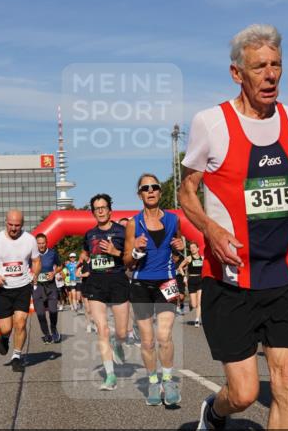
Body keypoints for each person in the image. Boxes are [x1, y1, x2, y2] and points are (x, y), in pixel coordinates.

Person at [179, 24, 288, 431]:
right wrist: (209, 228)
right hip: (231, 280)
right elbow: (187, 189)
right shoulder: (210, 123)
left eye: (276, 65)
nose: (270, 75)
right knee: (243, 392)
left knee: (286, 384)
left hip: (283, 275)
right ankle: (214, 417)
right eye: (259, 67)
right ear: (237, 72)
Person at [124, 173, 184, 407]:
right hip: (141, 285)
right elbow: (127, 261)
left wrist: (180, 248)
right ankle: (152, 381)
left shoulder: (173, 220)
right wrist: (136, 249)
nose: (150, 191)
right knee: (148, 341)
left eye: (154, 187)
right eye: (145, 188)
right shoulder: (133, 223)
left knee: (164, 336)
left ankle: (168, 380)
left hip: (166, 283)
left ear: (160, 191)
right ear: (139, 194)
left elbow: (178, 251)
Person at [83, 194, 131, 390]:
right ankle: (110, 376)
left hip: (118, 281)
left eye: (103, 207)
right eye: (97, 208)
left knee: (122, 332)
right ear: (93, 212)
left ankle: (117, 342)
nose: (100, 211)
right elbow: (86, 252)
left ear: (110, 210)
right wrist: (83, 260)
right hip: (96, 283)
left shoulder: (122, 232)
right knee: (102, 329)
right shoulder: (89, 234)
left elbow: (130, 258)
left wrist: (115, 252)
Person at [0, 209, 41, 373]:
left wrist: (34, 274)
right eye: (11, 225)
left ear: (22, 224)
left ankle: (17, 356)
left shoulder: (30, 240)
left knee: (21, 322)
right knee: (6, 327)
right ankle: (4, 337)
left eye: (17, 225)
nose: (14, 228)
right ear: (5, 222)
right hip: (3, 288)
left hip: (23, 286)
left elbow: (36, 260)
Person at [32, 233, 62, 343]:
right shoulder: (32, 254)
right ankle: (46, 334)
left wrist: (54, 273)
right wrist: (31, 276)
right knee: (40, 314)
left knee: (53, 311)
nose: (41, 245)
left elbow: (60, 266)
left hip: (50, 286)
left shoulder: (52, 253)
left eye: (43, 243)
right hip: (37, 287)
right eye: (39, 243)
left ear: (46, 243)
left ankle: (54, 330)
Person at [179, 241, 204, 326]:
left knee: (199, 302)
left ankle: (197, 320)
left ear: (198, 249)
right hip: (192, 281)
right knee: (194, 304)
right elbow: (180, 267)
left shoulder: (202, 258)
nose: (192, 249)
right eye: (191, 247)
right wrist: (184, 276)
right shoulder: (188, 258)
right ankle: (190, 304)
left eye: (194, 247)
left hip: (200, 280)